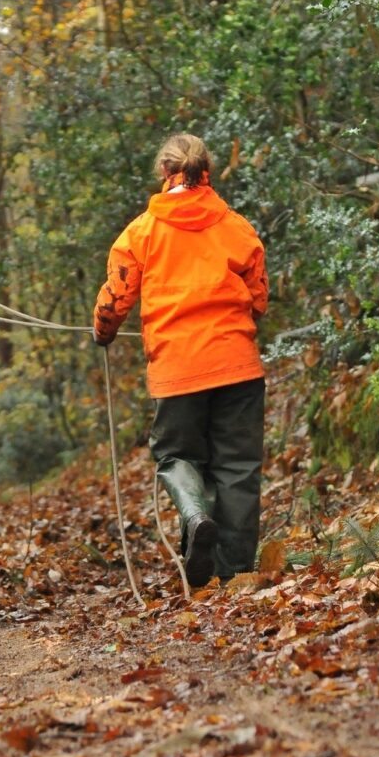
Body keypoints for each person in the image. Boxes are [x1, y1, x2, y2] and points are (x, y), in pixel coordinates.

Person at [92, 133, 268, 586]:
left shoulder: (141, 232)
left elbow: (116, 298)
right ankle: (237, 576)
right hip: (237, 365)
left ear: (164, 173)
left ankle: (193, 515)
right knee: (238, 469)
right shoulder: (235, 226)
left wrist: (103, 331)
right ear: (206, 171)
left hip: (178, 370)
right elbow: (259, 297)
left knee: (177, 457)